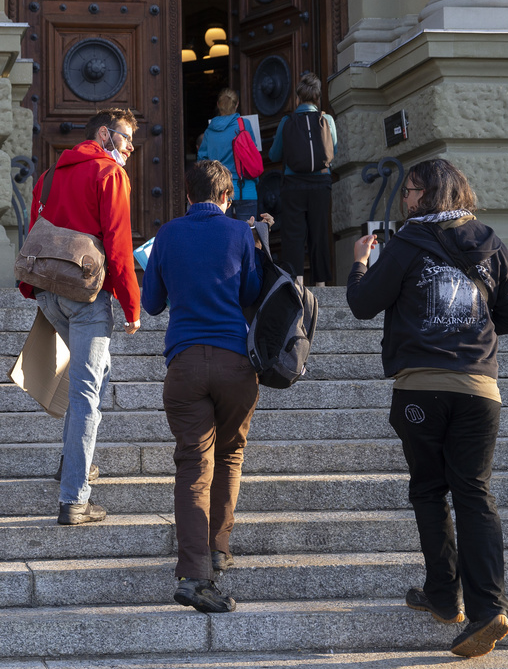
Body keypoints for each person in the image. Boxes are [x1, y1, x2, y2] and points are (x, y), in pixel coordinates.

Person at [345, 159, 508, 659]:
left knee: (430, 490)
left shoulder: (407, 243)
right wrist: (471, 334)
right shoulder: (491, 241)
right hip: (479, 390)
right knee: (474, 492)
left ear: (427, 195)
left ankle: (446, 597)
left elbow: (363, 303)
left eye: (410, 192)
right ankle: (489, 607)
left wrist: (360, 261)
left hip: (421, 388)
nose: (405, 200)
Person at [141, 160, 264, 614]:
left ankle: (195, 574)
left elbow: (151, 304)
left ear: (188, 196)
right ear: (227, 197)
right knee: (230, 453)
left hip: (186, 363)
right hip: (235, 362)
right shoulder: (238, 233)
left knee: (194, 465)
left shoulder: (169, 234)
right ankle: (218, 547)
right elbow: (251, 293)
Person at [19, 108, 142, 526]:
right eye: (125, 138)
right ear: (105, 134)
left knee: (91, 379)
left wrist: (32, 287)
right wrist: (132, 306)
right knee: (89, 393)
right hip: (87, 297)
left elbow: (37, 233)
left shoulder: (49, 175)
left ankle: (74, 461)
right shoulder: (110, 175)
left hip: (51, 295)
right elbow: (119, 245)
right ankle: (75, 498)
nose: (129, 148)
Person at [267, 72, 338, 284]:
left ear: (298, 98)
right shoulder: (327, 120)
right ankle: (321, 284)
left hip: (293, 185)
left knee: (293, 236)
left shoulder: (287, 121)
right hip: (321, 184)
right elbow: (332, 149)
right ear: (317, 97)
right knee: (320, 233)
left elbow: (274, 155)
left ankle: (296, 283)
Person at [196, 88, 259, 222]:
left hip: (220, 192)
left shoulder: (209, 131)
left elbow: (202, 162)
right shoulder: (244, 125)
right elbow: (252, 157)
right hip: (245, 189)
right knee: (249, 234)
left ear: (218, 105)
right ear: (236, 105)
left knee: (225, 236)